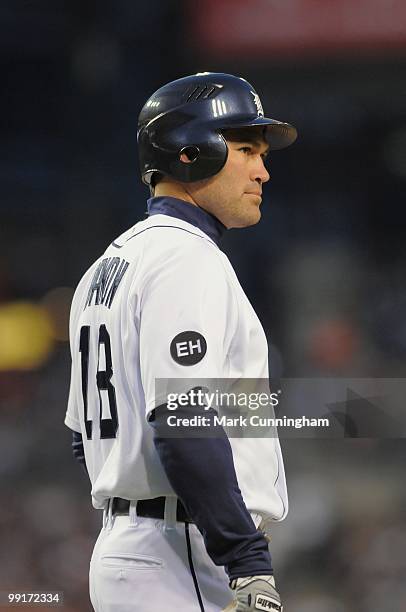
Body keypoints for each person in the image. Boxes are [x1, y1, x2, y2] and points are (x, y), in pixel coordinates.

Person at [65, 72, 297, 612]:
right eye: (246, 149)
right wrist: (246, 560)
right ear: (190, 151)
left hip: (138, 549)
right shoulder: (183, 257)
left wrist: (131, 499)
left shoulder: (109, 266)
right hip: (183, 558)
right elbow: (183, 419)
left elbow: (83, 438)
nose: (263, 170)